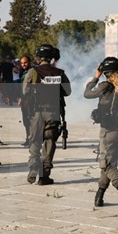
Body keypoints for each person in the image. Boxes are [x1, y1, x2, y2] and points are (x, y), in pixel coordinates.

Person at [84, 57, 118, 210]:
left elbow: (87, 94)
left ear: (106, 72)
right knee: (109, 164)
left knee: (106, 164)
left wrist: (95, 77)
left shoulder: (105, 86)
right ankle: (99, 195)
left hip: (109, 133)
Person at [22, 44, 71, 185]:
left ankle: (33, 167)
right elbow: (68, 92)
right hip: (53, 112)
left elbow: (25, 91)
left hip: (36, 112)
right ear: (51, 58)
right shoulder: (59, 73)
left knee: (35, 141)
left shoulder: (32, 72)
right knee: (49, 142)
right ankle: (44, 176)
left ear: (38, 57)